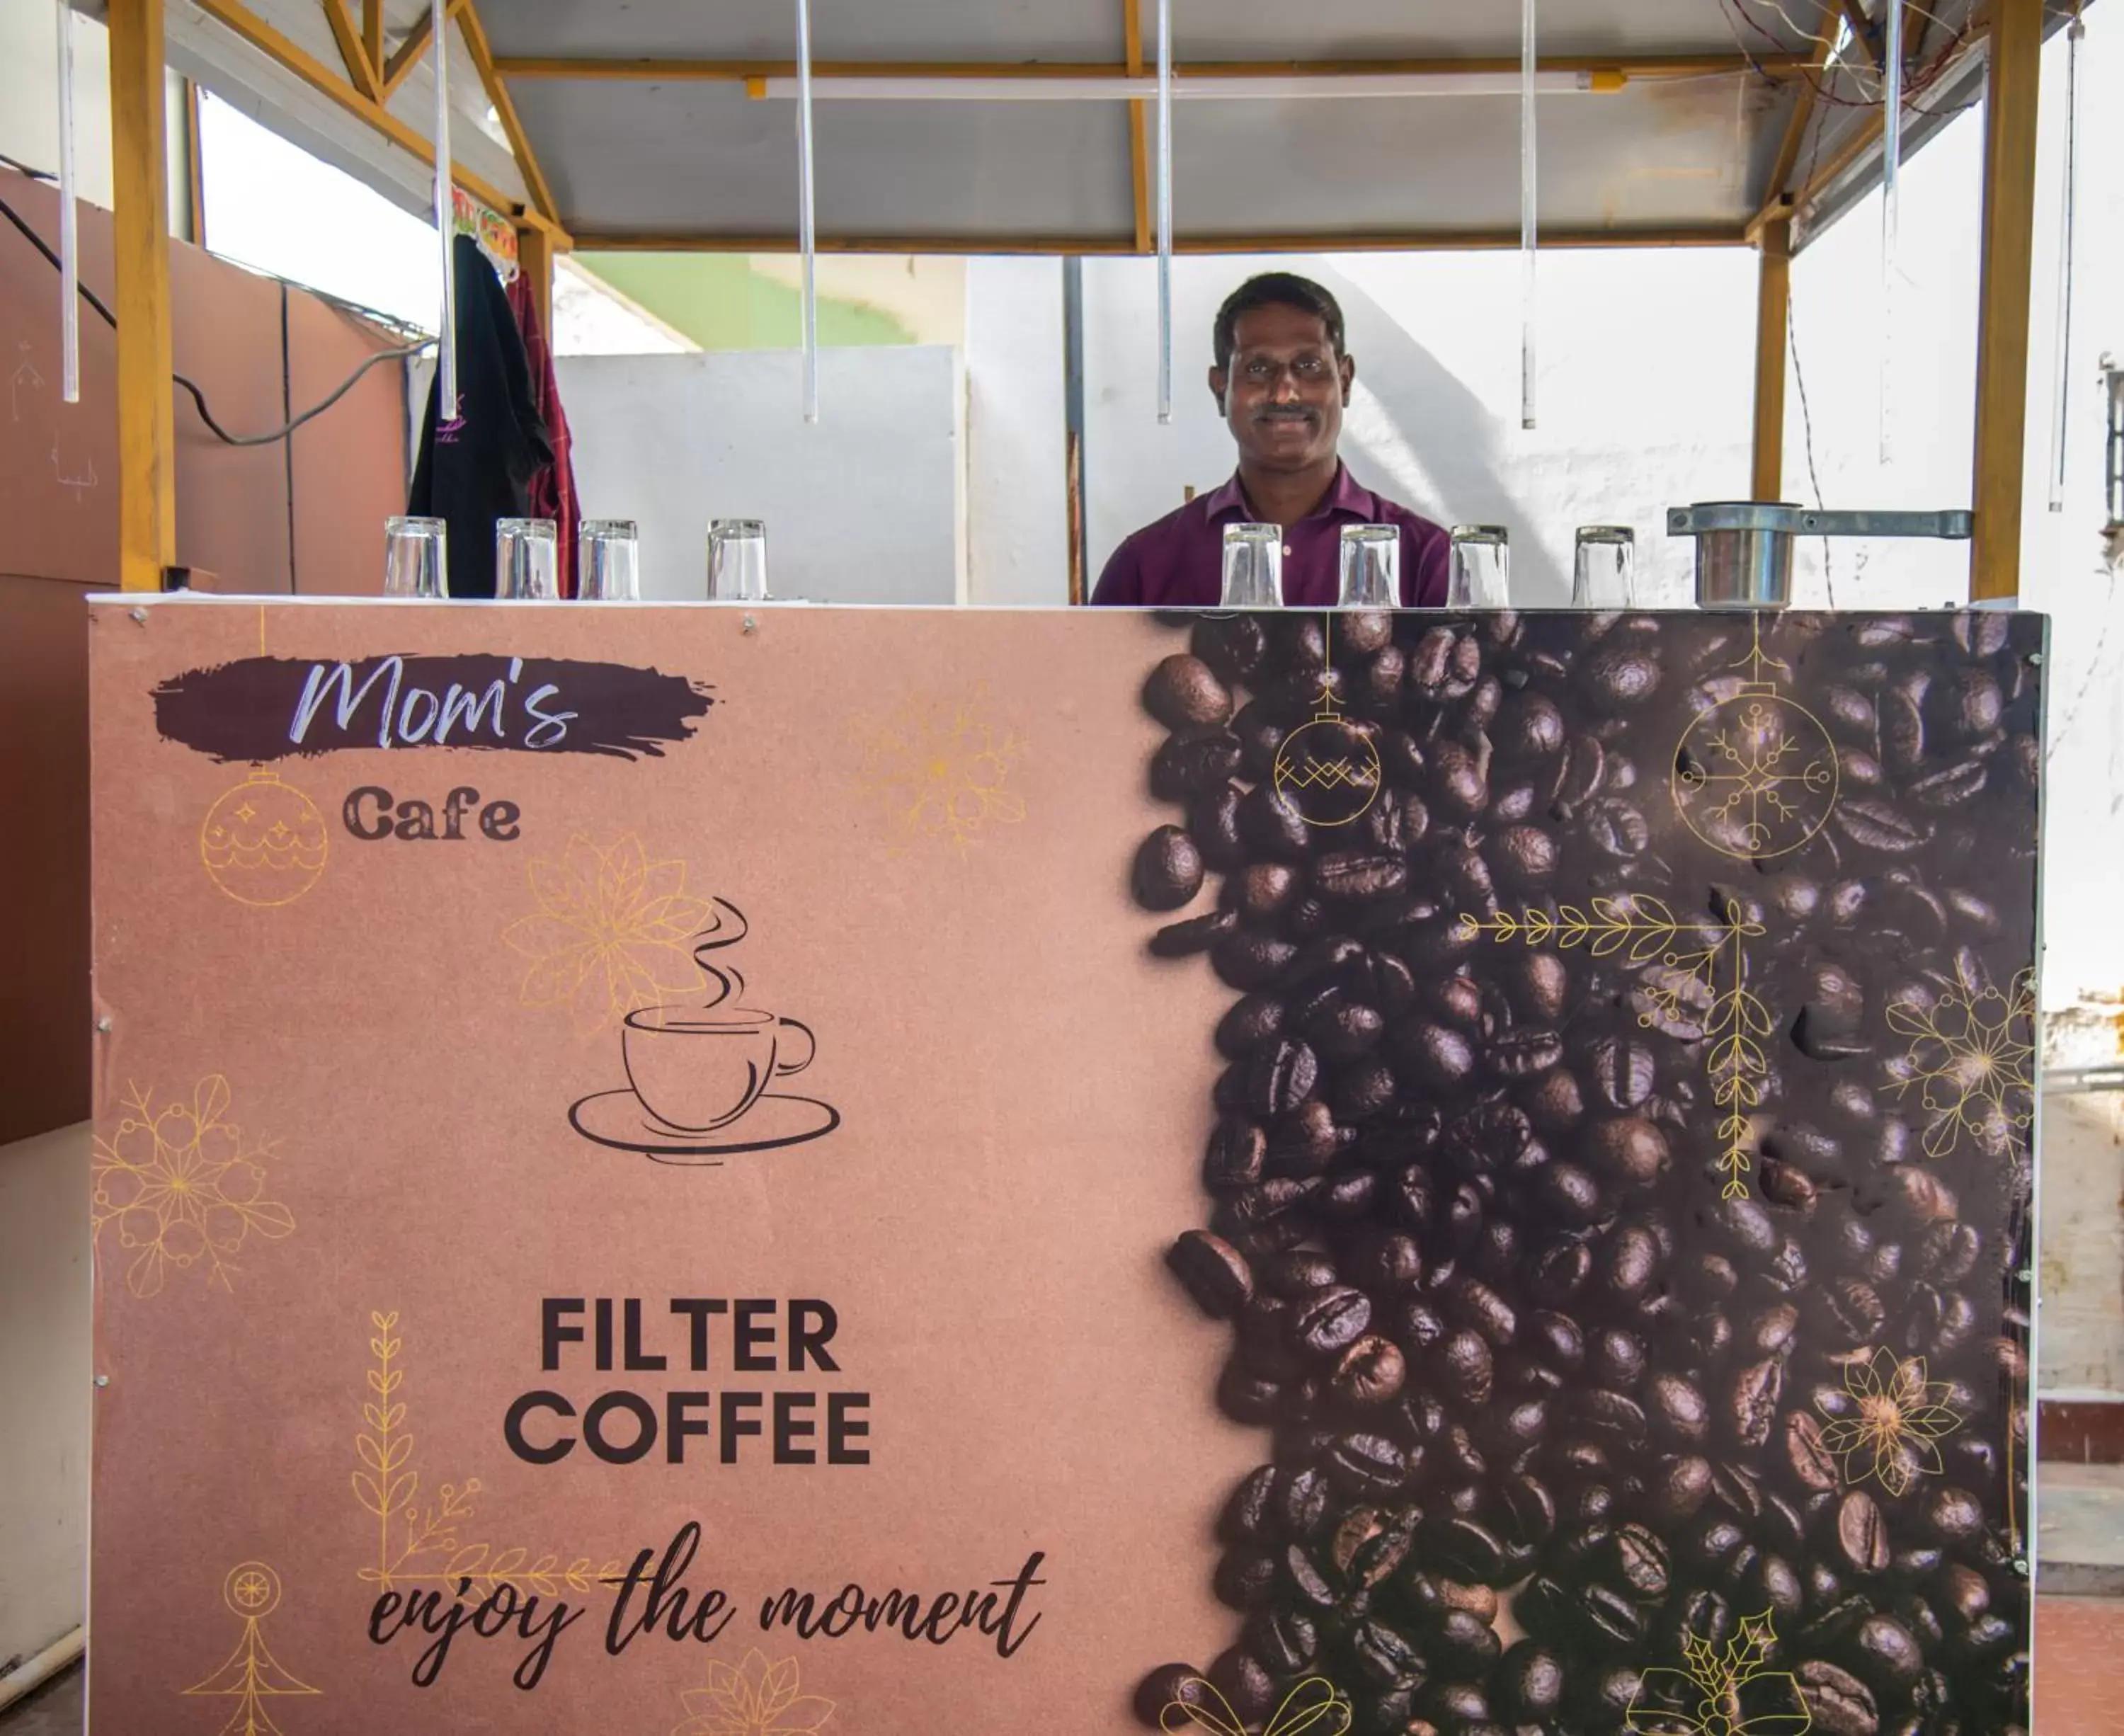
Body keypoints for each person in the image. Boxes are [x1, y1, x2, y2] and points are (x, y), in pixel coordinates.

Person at [1090, 272, 1450, 607]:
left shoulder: (1428, 562)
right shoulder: (1144, 568)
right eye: (1258, 369)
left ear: (1344, 381)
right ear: (1220, 388)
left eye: (1308, 366)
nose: (1284, 394)